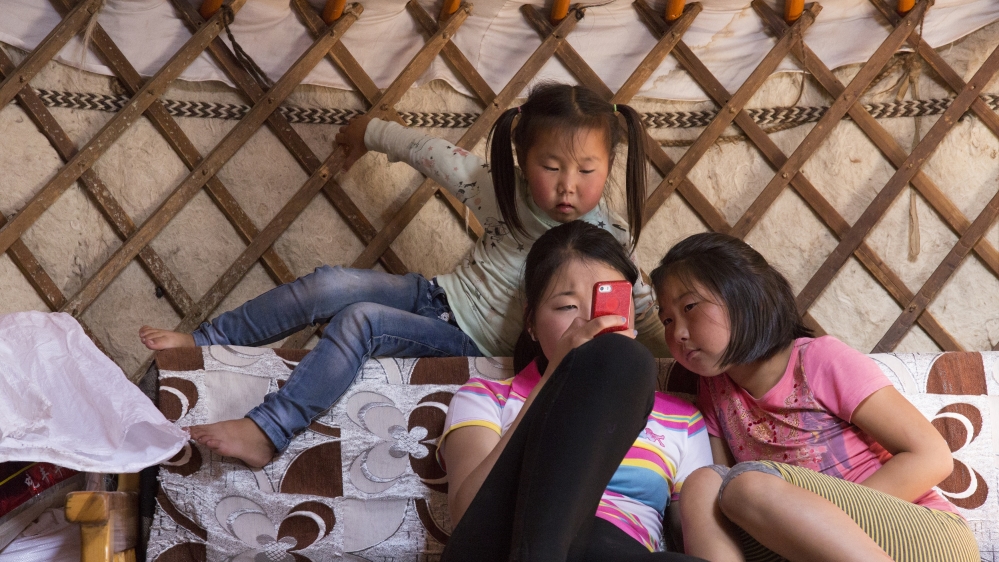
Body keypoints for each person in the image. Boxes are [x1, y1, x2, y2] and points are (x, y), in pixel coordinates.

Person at [138, 82, 665, 468]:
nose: (567, 185)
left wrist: (682, 361)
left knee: (362, 320)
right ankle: (203, 342)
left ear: (609, 164)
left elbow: (641, 313)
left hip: (469, 341)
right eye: (551, 167)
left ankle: (269, 429)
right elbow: (431, 154)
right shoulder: (502, 191)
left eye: (587, 170)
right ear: (522, 159)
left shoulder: (610, 240)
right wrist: (370, 131)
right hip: (438, 295)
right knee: (330, 284)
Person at [649, 232, 979, 561]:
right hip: (811, 545)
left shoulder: (817, 360)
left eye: (689, 306)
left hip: (922, 534)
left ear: (747, 296)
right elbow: (722, 496)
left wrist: (824, 518)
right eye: (667, 319)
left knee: (745, 487)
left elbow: (932, 456)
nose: (677, 332)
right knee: (703, 486)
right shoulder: (714, 390)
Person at [439, 221, 710, 561]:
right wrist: (556, 379)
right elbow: (469, 517)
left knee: (625, 362)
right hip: (501, 547)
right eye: (567, 306)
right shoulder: (486, 397)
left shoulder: (682, 419)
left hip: (618, 552)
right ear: (531, 324)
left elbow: (700, 539)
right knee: (624, 360)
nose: (588, 321)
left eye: (606, 301)